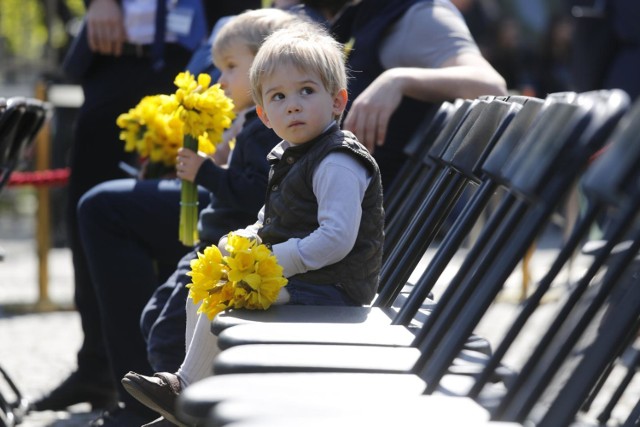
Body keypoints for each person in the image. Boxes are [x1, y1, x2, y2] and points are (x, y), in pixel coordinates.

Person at [121, 23, 385, 426]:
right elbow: (272, 218)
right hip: (305, 278)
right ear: (263, 114)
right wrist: (242, 241)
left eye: (306, 91)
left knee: (228, 293)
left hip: (333, 288)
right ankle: (194, 389)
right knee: (205, 286)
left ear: (337, 101)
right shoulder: (291, 154)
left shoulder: (337, 161)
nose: (293, 105)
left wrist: (273, 262)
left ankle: (191, 396)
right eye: (279, 97)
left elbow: (336, 239)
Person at [70, 8, 305, 426]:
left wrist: (207, 171)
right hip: (210, 241)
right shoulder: (251, 126)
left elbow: (256, 193)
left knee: (166, 334)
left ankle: (185, 408)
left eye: (231, 67)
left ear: (269, 63)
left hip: (227, 248)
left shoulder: (271, 132)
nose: (221, 80)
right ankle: (176, 405)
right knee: (154, 318)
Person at [30, 0, 260, 418]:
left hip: (184, 56)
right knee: (92, 205)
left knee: (115, 215)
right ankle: (100, 367)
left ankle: (151, 390)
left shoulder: (252, 100)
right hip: (118, 60)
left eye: (229, 67)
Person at [307, 0, 507, 188]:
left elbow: (491, 86)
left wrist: (398, 80)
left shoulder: (421, 14)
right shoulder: (367, 14)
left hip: (366, 214)